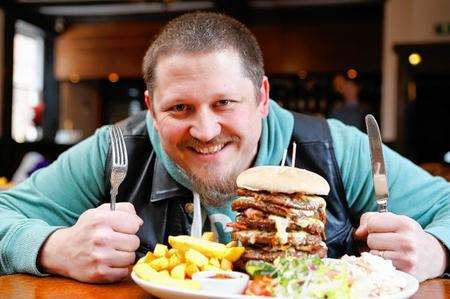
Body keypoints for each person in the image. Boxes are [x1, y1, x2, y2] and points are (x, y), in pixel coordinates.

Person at [0, 12, 449, 284]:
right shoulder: (116, 150)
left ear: (262, 97)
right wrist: (51, 247)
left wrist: (436, 249)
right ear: (152, 109)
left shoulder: (336, 148)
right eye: (180, 107)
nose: (205, 129)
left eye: (225, 103)